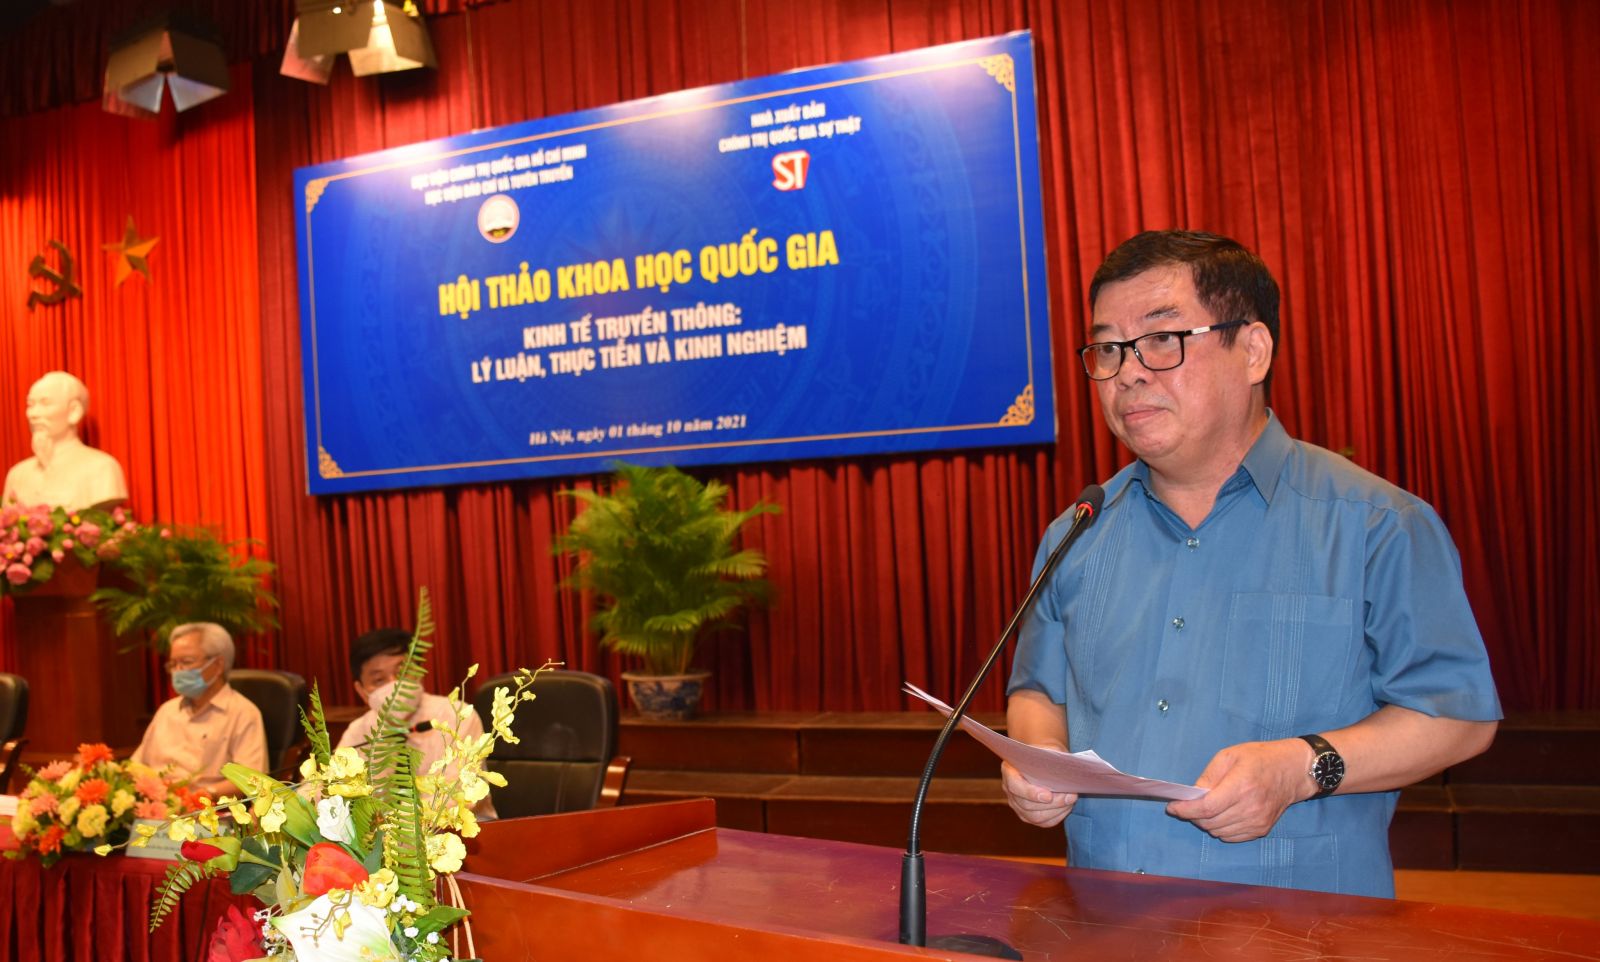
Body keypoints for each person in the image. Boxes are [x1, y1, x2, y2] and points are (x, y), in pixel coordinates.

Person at [1003, 230, 1501, 898]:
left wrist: (1302, 767)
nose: (1128, 373)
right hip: (1101, 919)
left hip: (1302, 928)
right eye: (1109, 349)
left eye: (1161, 339)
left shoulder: (1377, 525)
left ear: (1253, 351)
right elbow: (1039, 691)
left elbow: (1459, 716)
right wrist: (1040, 759)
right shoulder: (1077, 533)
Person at [335, 628, 497, 819]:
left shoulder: (457, 715)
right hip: (381, 834)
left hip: (465, 831)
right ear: (362, 691)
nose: (395, 685)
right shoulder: (358, 732)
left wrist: (394, 820)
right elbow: (332, 789)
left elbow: (461, 794)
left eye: (403, 671)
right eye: (379, 680)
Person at [132, 622, 268, 798]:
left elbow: (252, 779)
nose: (177, 671)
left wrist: (203, 795)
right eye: (173, 664)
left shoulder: (243, 713)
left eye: (186, 662)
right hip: (155, 804)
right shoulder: (167, 711)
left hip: (206, 808)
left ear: (218, 665)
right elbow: (137, 766)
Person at [2, 371, 129, 511]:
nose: (33, 414)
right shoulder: (18, 474)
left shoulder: (102, 468)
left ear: (74, 411)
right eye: (30, 405)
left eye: (45, 403)